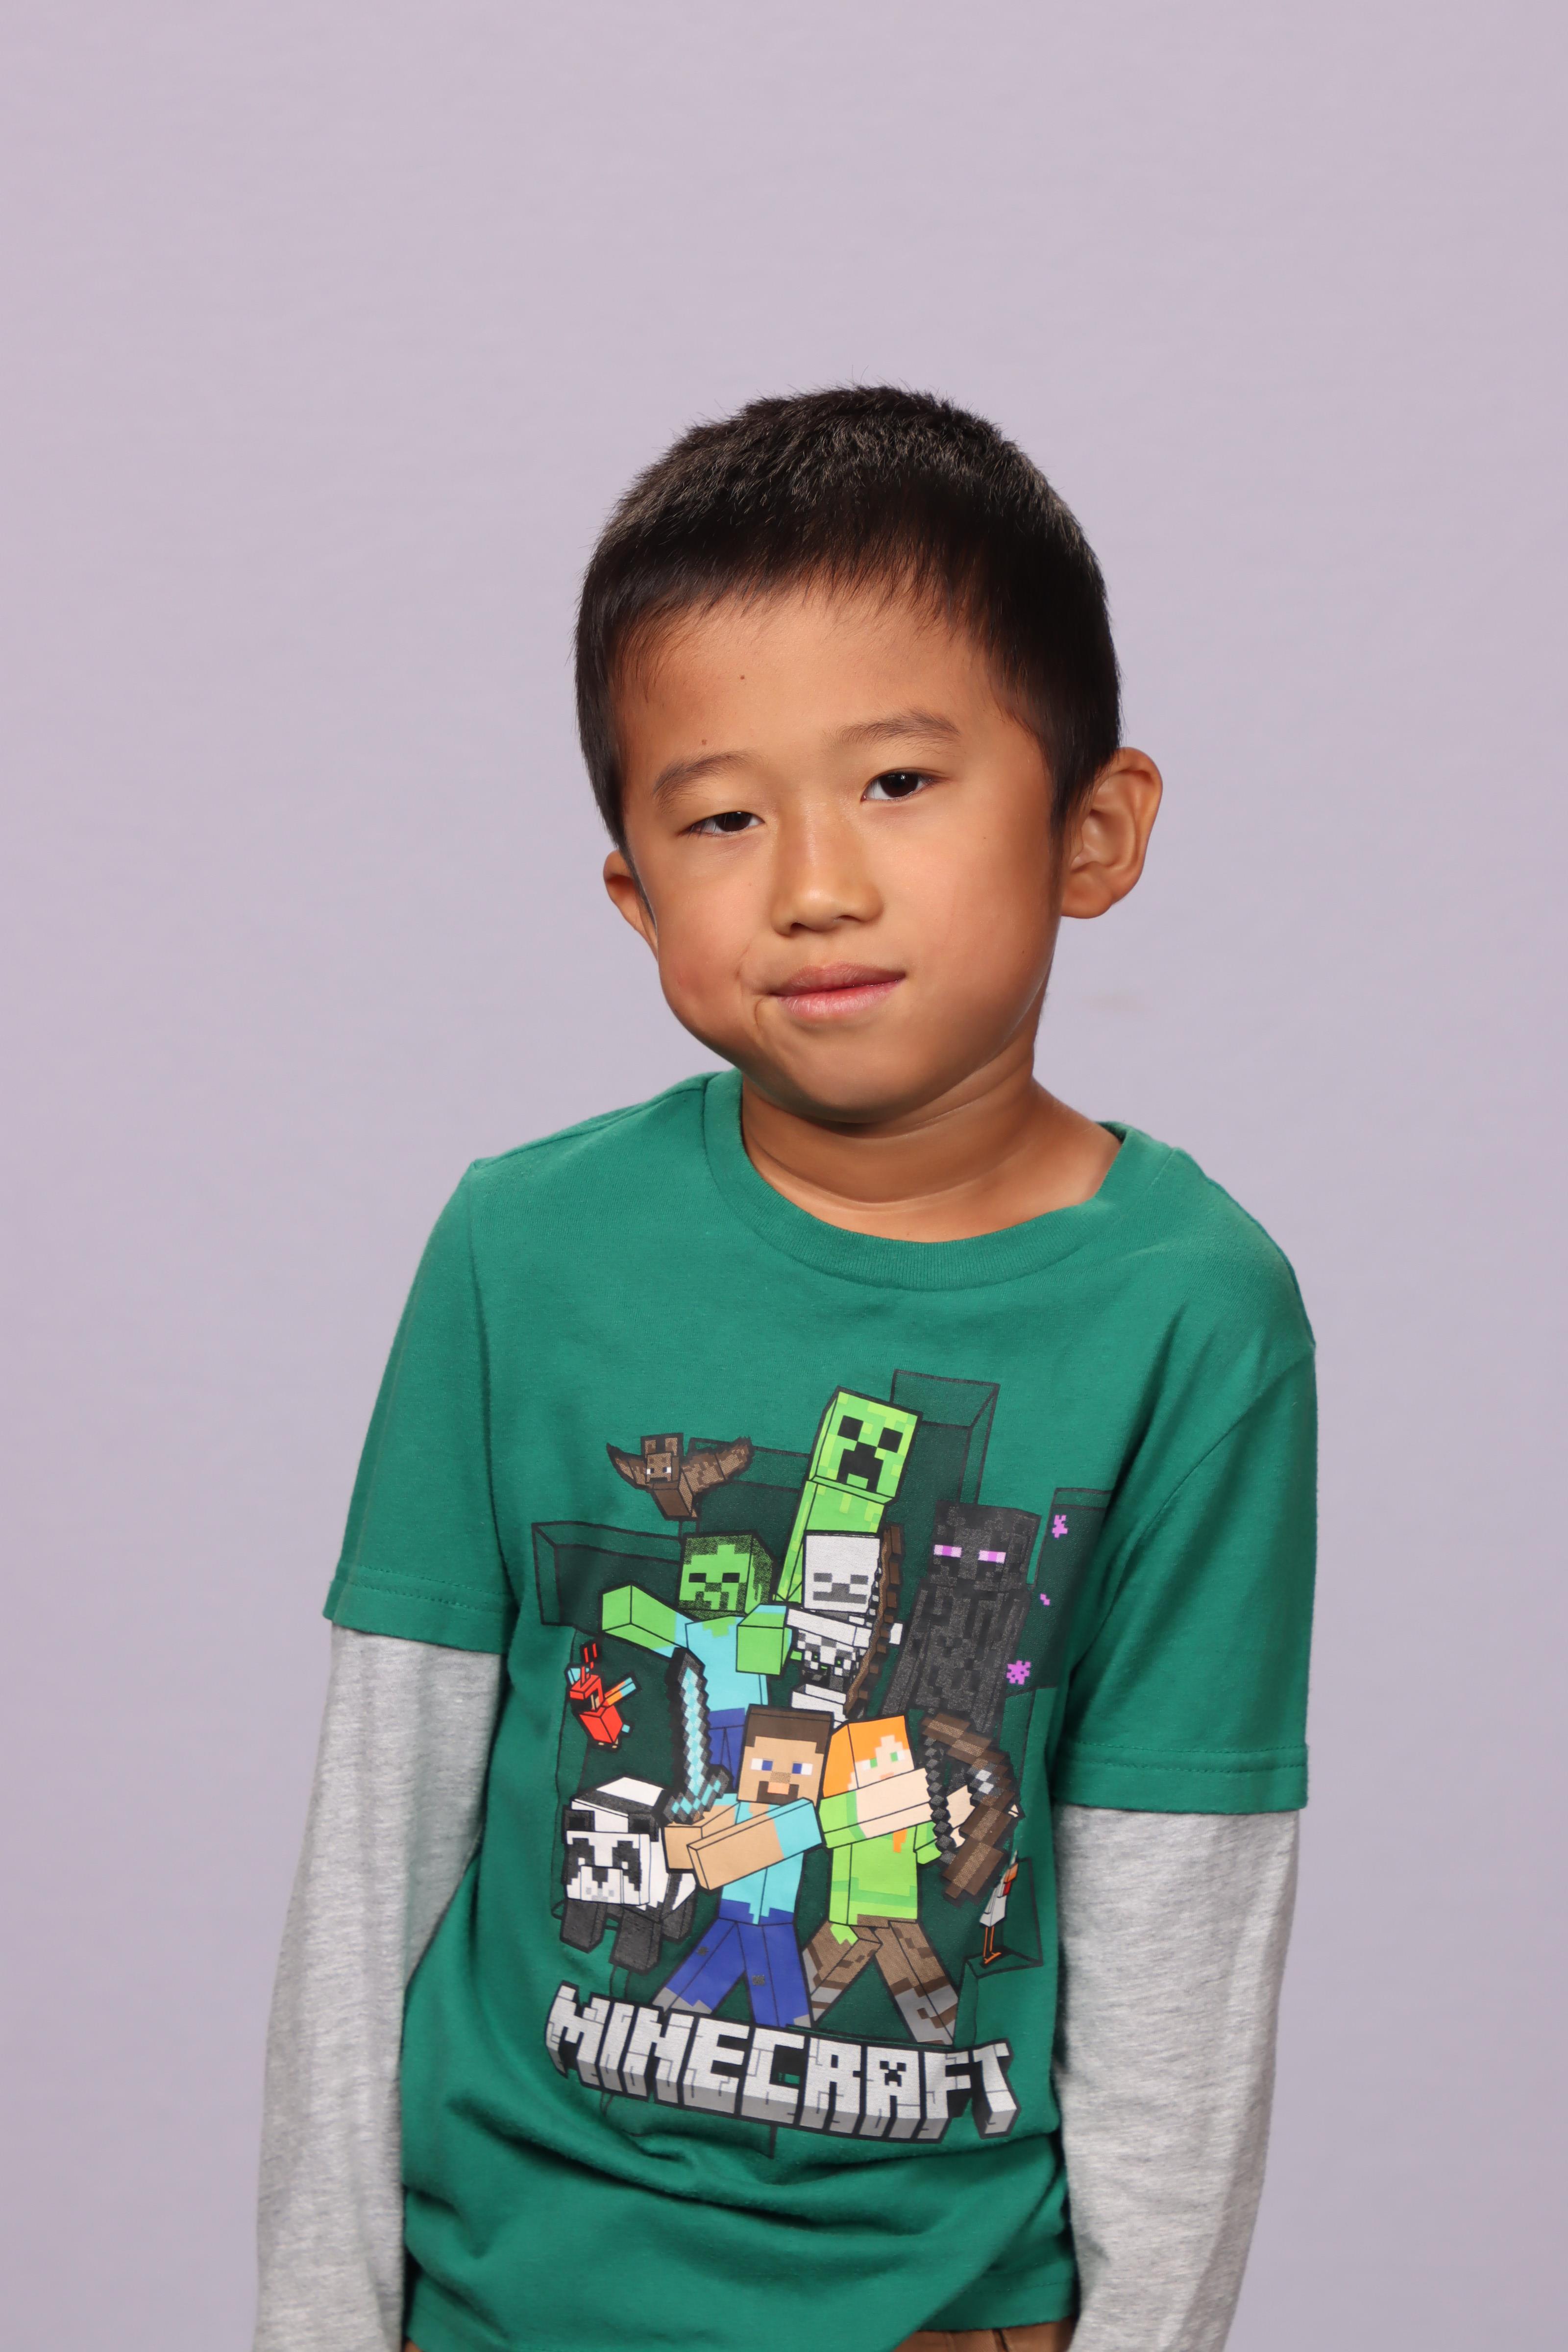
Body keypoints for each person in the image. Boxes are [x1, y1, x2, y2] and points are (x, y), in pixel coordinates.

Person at [252, 388, 1315, 2352]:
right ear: (636, 891)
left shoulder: (1194, 1314)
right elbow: (375, 1836)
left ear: (1091, 830)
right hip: (507, 2308)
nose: (812, 881)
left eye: (898, 781)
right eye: (722, 818)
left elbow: (1185, 1902)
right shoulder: (521, 1250)